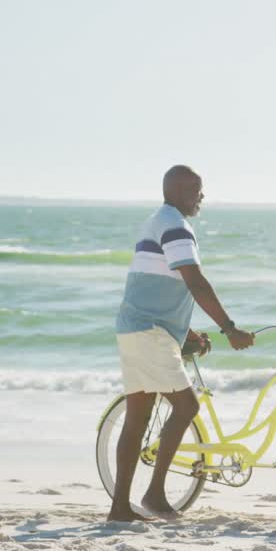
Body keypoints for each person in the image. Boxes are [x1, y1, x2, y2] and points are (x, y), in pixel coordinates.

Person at [108, 165, 254, 522]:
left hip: (135, 328)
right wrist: (228, 327)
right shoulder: (175, 226)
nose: (201, 197)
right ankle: (155, 496)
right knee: (187, 407)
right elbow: (194, 282)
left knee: (137, 419)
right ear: (176, 190)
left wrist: (187, 333)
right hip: (149, 333)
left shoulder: (156, 221)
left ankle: (120, 508)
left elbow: (155, 284)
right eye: (196, 190)